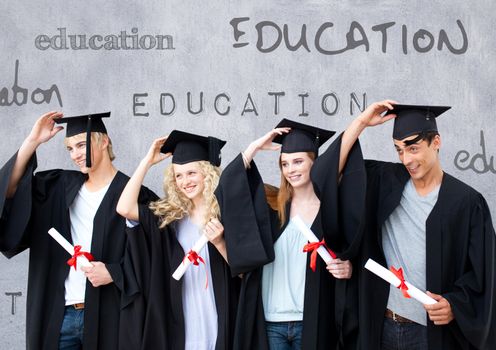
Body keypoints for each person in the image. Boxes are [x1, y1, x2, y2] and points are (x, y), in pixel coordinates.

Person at [340, 101, 496, 349]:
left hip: (428, 334)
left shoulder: (466, 202)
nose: (406, 159)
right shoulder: (384, 181)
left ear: (436, 142)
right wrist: (361, 123)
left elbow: (483, 275)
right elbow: (335, 172)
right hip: (383, 326)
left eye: (413, 148)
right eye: (399, 150)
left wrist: (455, 306)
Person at [0, 111, 156, 349]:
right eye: (70, 148)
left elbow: (154, 260)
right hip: (60, 317)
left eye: (81, 145)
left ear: (104, 141)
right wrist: (33, 141)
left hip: (111, 316)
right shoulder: (58, 187)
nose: (75, 155)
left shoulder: (135, 195)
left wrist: (115, 272)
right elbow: (9, 190)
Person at [216, 118, 365, 350]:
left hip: (313, 321)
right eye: (285, 164)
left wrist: (348, 268)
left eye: (297, 162)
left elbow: (354, 255)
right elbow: (229, 189)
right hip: (272, 324)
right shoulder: (273, 209)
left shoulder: (331, 212)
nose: (291, 170)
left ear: (315, 163)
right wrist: (253, 148)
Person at [116, 130, 239, 350]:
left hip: (218, 312)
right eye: (178, 175)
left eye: (191, 173)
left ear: (207, 173)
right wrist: (147, 162)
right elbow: (124, 207)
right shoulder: (170, 218)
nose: (185, 181)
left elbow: (243, 272)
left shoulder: (226, 214)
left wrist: (220, 242)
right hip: (182, 315)